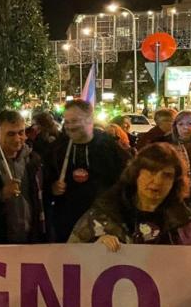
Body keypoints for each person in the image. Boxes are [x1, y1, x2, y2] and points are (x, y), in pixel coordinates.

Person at [68, 142, 191, 307]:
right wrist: (93, 248)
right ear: (136, 173)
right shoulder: (104, 214)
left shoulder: (185, 222)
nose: (157, 181)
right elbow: (68, 262)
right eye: (151, 171)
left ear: (175, 182)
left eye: (166, 175)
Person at [45, 99, 130, 242]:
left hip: (103, 222)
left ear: (90, 120)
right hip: (67, 222)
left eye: (75, 120)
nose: (70, 126)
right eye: (67, 121)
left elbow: (124, 180)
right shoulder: (58, 148)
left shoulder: (108, 146)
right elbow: (44, 181)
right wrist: (52, 188)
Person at [0, 110, 47, 244]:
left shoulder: (33, 160)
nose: (18, 138)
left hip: (30, 240)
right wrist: (1, 195)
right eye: (11, 134)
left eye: (21, 132)